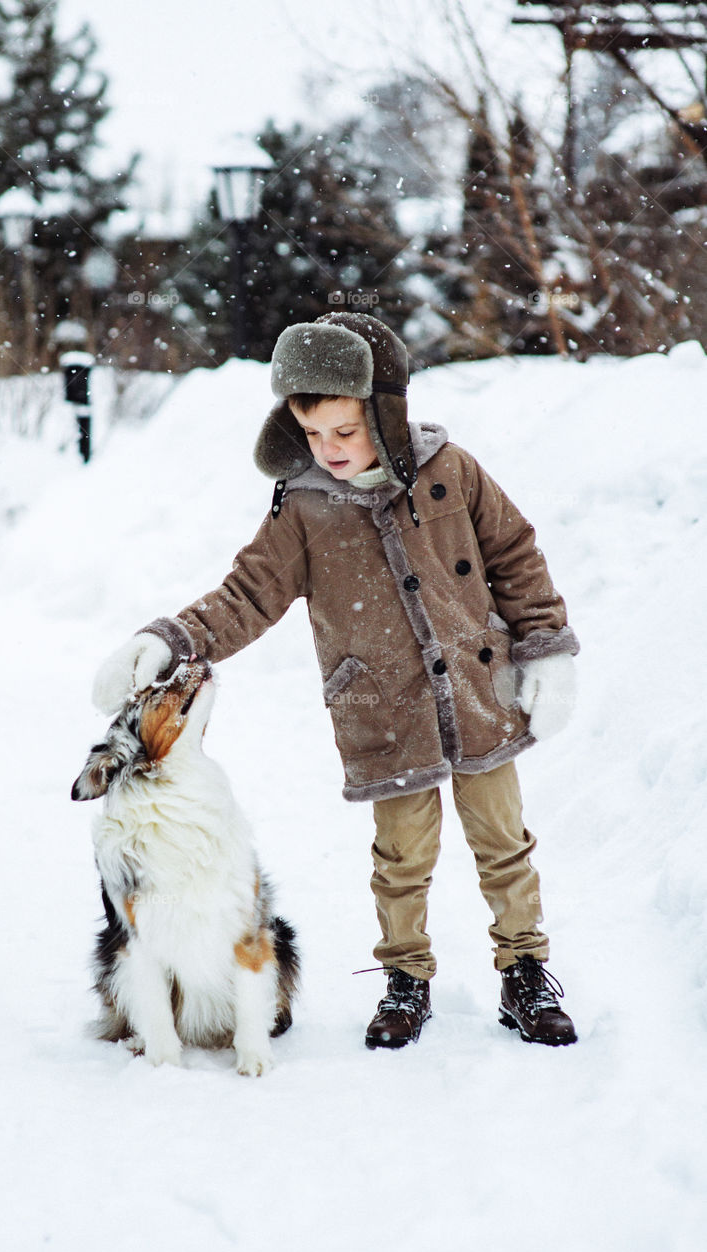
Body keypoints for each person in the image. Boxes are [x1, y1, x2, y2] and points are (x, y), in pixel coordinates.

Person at [91, 313, 580, 1050]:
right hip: (383, 709)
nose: (330, 450)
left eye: (345, 432)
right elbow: (246, 594)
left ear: (383, 409)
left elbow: (514, 555)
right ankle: (405, 980)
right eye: (314, 435)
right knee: (401, 857)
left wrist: (545, 645)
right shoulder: (306, 506)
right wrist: (170, 639)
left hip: (480, 691)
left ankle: (523, 972)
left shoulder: (451, 471)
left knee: (503, 841)